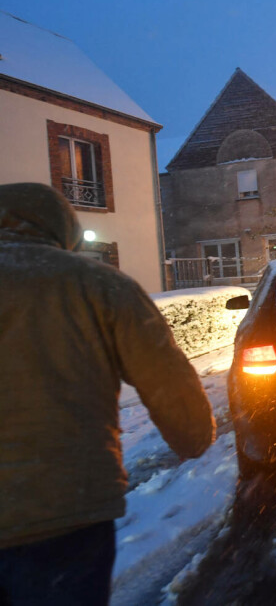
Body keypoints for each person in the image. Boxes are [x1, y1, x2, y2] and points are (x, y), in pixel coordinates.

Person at [0, 183, 216, 605]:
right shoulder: (99, 286)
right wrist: (194, 437)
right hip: (65, 511)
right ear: (63, 228)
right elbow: (166, 378)